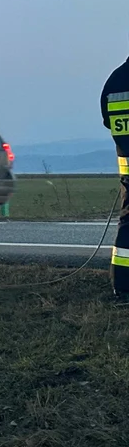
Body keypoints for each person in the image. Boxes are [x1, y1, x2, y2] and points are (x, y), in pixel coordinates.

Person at [100, 55, 129, 299]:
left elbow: (108, 122)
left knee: (128, 227)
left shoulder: (115, 81)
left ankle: (122, 287)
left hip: (128, 169)